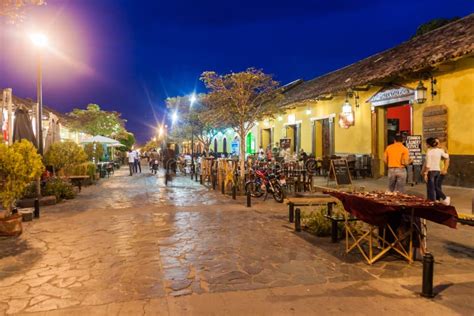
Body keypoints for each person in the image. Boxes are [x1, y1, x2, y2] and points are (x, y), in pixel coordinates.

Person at [422, 137, 450, 205]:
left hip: (431, 171)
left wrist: (425, 173)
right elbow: (446, 156)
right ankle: (442, 199)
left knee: (432, 187)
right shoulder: (440, 151)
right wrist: (446, 151)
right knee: (436, 186)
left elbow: (428, 165)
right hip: (438, 171)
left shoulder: (429, 152)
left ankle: (436, 200)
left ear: (429, 144)